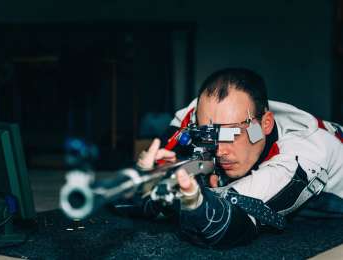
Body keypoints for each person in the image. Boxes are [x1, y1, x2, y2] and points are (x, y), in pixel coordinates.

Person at [120, 68, 343, 248]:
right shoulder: (197, 116)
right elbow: (126, 197)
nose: (219, 151)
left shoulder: (304, 154)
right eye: (209, 135)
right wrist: (143, 179)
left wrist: (195, 201)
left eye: (231, 134)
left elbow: (222, 225)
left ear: (265, 124)